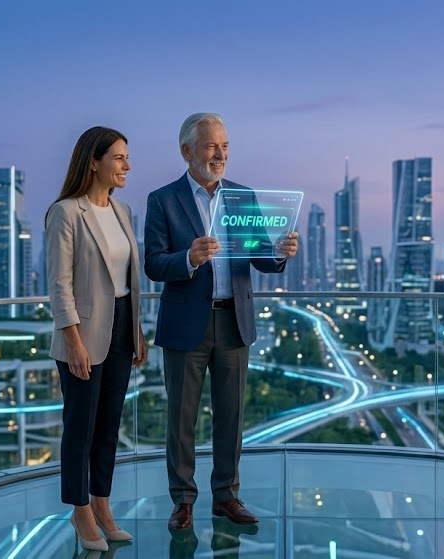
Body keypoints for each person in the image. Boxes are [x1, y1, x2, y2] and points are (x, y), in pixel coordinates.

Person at [144, 112, 298, 532]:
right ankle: (183, 501)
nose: (221, 154)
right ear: (187, 151)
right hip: (185, 326)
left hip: (234, 322)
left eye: (225, 146)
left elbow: (262, 257)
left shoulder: (242, 197)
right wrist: (188, 259)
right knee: (181, 419)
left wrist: (282, 251)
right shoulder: (163, 200)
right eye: (212, 146)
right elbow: (153, 264)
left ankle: (226, 497)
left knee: (230, 417)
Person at [46, 126, 148, 552]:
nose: (127, 165)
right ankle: (80, 510)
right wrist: (72, 341)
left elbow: (128, 279)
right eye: (119, 158)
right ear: (94, 161)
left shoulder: (122, 211)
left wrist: (138, 329)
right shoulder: (66, 212)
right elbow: (59, 284)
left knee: (108, 427)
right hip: (83, 334)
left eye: (127, 158)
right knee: (80, 429)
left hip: (122, 327)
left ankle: (103, 505)